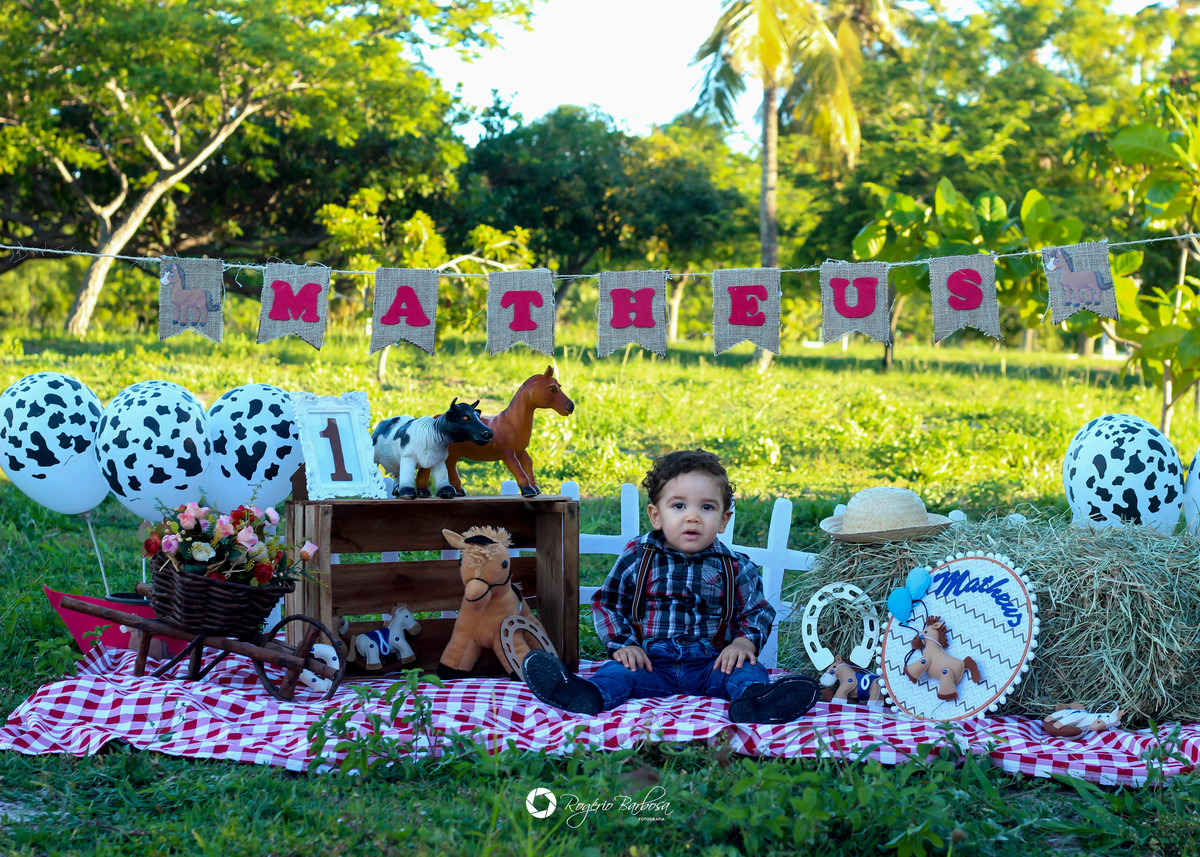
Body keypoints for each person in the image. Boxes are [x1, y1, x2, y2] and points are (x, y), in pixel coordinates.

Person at [523, 449, 818, 723]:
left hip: (712, 665)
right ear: (656, 515)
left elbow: (757, 612)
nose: (692, 516)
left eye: (707, 507)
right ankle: (584, 695)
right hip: (650, 663)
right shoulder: (638, 558)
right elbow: (608, 603)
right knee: (616, 673)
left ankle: (754, 701)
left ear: (723, 520)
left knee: (747, 671)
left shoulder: (736, 565)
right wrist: (624, 645)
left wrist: (744, 643)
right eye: (678, 505)